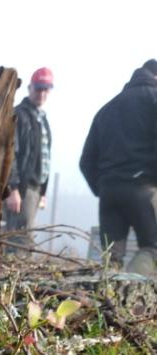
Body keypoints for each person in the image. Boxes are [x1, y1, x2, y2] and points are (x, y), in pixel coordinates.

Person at [79, 59, 157, 275]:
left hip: (109, 192)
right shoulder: (154, 100)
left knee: (111, 256)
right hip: (143, 190)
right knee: (152, 249)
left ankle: (104, 302)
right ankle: (129, 287)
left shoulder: (107, 109)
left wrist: (102, 187)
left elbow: (86, 161)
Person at [3, 67, 54, 248]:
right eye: (38, 88)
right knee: (19, 241)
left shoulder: (41, 119)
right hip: (22, 189)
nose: (41, 93)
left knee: (25, 236)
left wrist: (43, 191)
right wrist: (13, 189)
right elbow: (10, 154)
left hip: (34, 189)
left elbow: (43, 157)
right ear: (30, 88)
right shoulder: (20, 116)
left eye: (45, 89)